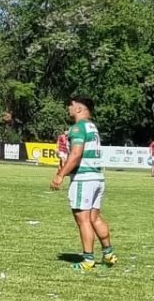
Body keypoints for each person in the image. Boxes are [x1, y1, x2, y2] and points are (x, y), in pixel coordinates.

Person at [50, 95, 116, 271]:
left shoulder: (78, 128)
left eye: (70, 106)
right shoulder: (92, 127)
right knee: (95, 218)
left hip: (83, 178)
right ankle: (108, 254)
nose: (68, 109)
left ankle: (88, 260)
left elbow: (76, 154)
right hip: (97, 177)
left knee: (83, 220)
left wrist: (60, 175)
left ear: (79, 108)